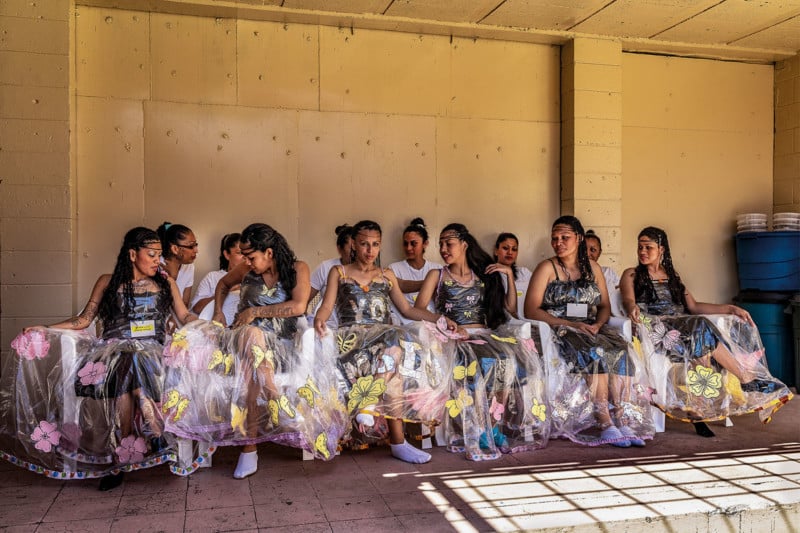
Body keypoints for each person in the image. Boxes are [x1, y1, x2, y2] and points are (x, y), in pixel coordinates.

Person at [0, 227, 197, 490]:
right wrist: (45, 328)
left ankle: (123, 453)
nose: (156, 260)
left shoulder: (165, 283)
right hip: (112, 352)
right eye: (151, 254)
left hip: (152, 352)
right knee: (127, 360)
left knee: (133, 360)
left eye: (159, 255)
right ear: (131, 254)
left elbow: (184, 316)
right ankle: (152, 430)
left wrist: (207, 326)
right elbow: (83, 320)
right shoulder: (107, 282)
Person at [163, 223, 345, 479]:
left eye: (251, 256)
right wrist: (218, 313)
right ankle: (276, 399)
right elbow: (223, 285)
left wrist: (255, 311)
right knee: (251, 335)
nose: (247, 261)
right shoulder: (247, 269)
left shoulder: (296, 268)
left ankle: (249, 449)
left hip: (281, 346)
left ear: (269, 252)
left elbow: (298, 306)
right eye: (244, 256)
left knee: (252, 373)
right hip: (238, 341)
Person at [619, 226, 793, 437]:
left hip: (684, 330)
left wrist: (729, 308)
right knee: (699, 330)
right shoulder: (632, 274)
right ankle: (744, 378)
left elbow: (693, 306)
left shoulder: (672, 276)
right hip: (656, 330)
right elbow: (628, 299)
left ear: (662, 249)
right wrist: (632, 308)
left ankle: (696, 410)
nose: (642, 252)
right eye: (640, 247)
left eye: (648, 247)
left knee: (699, 341)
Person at [314, 220, 448, 464]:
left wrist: (440, 319)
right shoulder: (340, 272)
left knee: (395, 351)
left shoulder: (386, 275)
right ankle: (397, 442)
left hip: (383, 342)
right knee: (394, 348)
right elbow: (326, 305)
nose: (370, 250)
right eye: (364, 244)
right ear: (354, 244)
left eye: (375, 245)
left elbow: (407, 309)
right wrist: (320, 320)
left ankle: (372, 407)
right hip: (352, 341)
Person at [413, 223, 549, 460]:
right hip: (454, 336)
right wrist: (442, 320)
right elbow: (418, 310)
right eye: (441, 244)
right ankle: (478, 429)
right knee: (479, 361)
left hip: (484, 334)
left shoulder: (483, 276)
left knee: (507, 358)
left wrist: (507, 274)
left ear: (464, 244)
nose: (444, 248)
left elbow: (510, 310)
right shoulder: (438, 275)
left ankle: (494, 426)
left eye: (449, 243)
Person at [525, 216, 653, 448]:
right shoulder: (547, 267)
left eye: (565, 237)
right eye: (555, 238)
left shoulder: (593, 268)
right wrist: (571, 325)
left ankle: (622, 419)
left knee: (621, 349)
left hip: (591, 326)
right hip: (560, 327)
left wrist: (597, 324)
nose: (558, 243)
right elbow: (531, 310)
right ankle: (605, 423)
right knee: (595, 351)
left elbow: (604, 306)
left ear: (579, 238)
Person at [389, 217, 441, 324]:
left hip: (431, 324)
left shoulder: (437, 269)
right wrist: (431, 283)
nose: (408, 248)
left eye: (413, 243)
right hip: (403, 324)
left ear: (425, 244)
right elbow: (401, 286)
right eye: (405, 243)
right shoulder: (393, 269)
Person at [190, 232, 244, 324]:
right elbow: (196, 309)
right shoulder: (213, 277)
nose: (244, 257)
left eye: (247, 253)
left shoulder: (254, 280)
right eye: (239, 253)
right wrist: (225, 292)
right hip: (214, 329)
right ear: (227, 254)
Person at [309, 224, 353, 327]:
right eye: (351, 248)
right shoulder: (327, 268)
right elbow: (306, 298)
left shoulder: (369, 272)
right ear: (340, 249)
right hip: (326, 327)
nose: (355, 253)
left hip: (354, 328)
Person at [157, 222, 197, 308]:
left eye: (195, 245)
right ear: (175, 249)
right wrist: (172, 278)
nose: (196, 250)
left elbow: (185, 304)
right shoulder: (156, 264)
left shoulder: (189, 267)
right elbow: (157, 306)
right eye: (191, 246)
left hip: (178, 317)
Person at [494, 232, 532, 319]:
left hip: (530, 323)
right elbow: (509, 310)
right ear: (496, 251)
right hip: (506, 326)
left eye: (514, 249)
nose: (510, 252)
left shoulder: (524, 273)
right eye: (505, 248)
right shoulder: (492, 275)